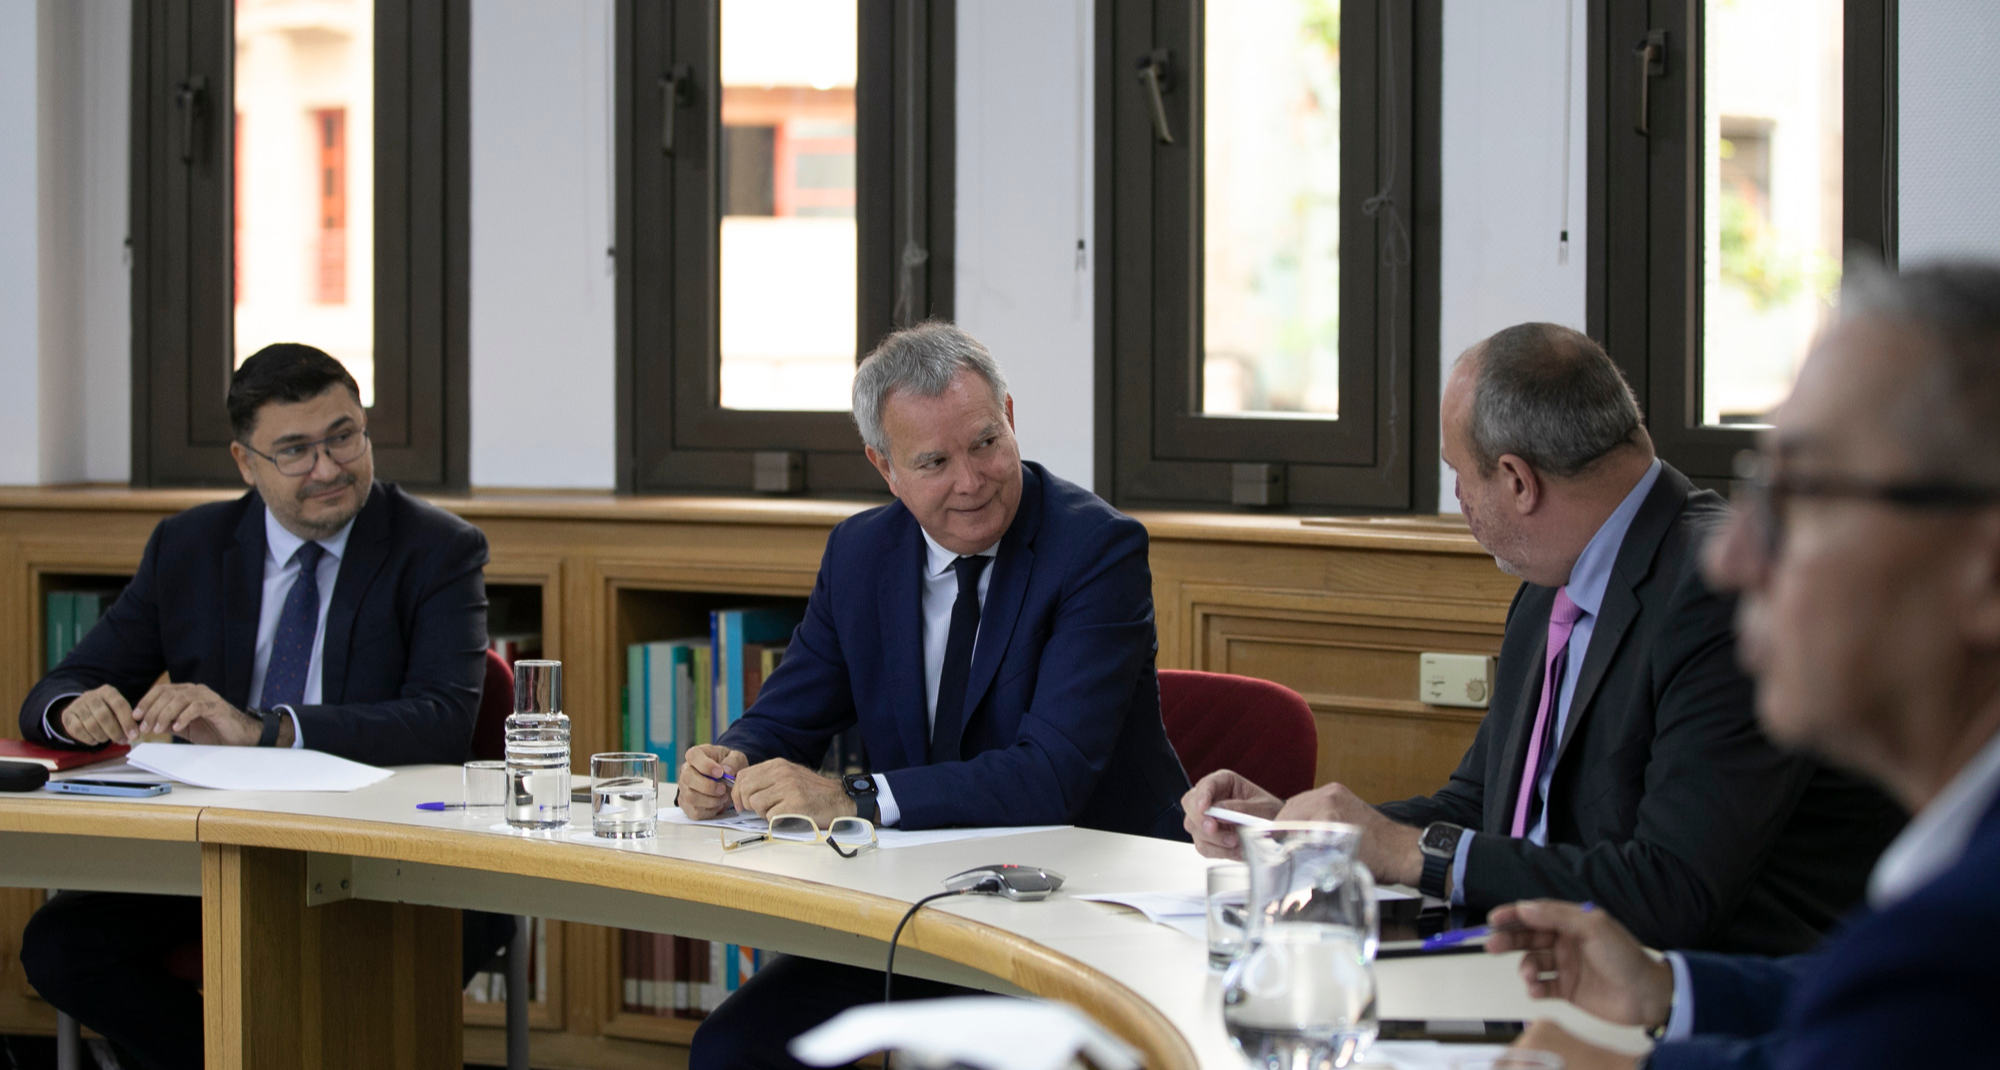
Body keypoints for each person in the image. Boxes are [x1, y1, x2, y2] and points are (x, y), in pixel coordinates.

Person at [1184, 323, 1902, 953]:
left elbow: (1674, 891)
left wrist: (1408, 852)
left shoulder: (1719, 590)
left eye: (1458, 476)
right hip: (1537, 967)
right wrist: (1303, 833)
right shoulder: (1549, 585)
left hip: (1705, 1002)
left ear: (1517, 482)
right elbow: (1481, 809)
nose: (1458, 500)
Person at [1485, 263, 2000, 1069]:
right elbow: (1861, 1002)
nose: (1730, 560)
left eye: (1804, 496)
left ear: (1987, 572)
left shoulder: (1961, 932)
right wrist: (1669, 987)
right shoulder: (1949, 907)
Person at [676, 322, 1190, 1069]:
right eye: (934, 462)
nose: (971, 481)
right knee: (732, 1050)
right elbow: (785, 716)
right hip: (923, 904)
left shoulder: (1096, 550)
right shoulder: (860, 554)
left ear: (1009, 417)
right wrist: (728, 762)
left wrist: (854, 797)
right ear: (884, 467)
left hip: (1088, 906)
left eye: (985, 443)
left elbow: (1052, 776)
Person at [18, 343, 501, 1070]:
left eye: (343, 437)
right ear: (246, 463)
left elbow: (441, 720)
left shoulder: (437, 549)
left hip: (387, 852)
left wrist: (265, 730)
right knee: (60, 948)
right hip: (226, 852)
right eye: (296, 451)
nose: (329, 468)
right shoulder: (188, 546)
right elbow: (59, 689)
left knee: (381, 974)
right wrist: (75, 712)